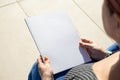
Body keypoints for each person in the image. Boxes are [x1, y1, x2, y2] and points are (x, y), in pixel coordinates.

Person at [28, 0, 120, 80]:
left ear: (117, 21)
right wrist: (105, 54)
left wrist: (46, 76)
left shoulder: (81, 77)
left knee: (39, 67)